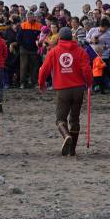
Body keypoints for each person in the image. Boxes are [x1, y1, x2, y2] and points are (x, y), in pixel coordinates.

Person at [38, 26, 92, 156]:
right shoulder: (81, 51)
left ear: (60, 38)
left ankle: (66, 136)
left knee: (60, 119)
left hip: (63, 89)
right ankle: (72, 149)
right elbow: (86, 70)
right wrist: (89, 83)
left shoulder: (54, 51)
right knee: (75, 119)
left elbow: (44, 69)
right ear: (72, 37)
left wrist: (41, 84)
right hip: (78, 88)